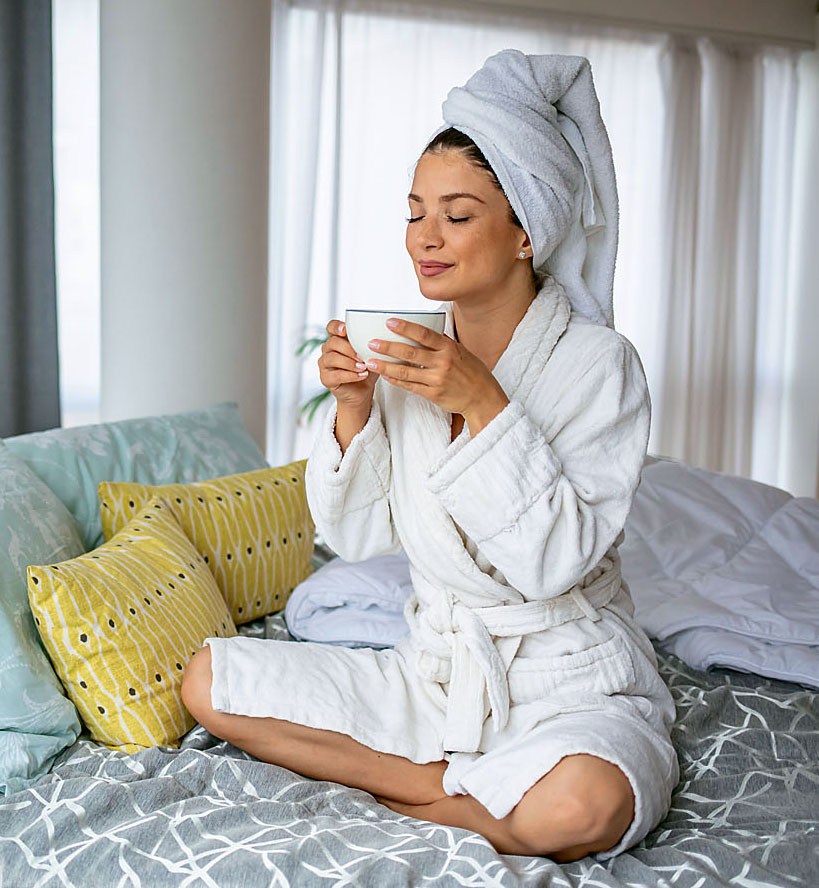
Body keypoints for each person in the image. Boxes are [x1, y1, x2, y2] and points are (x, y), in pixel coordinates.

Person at [182, 49, 679, 862]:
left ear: (526, 232)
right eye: (415, 213)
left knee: (581, 806)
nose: (425, 238)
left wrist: (482, 403)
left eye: (457, 215)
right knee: (209, 680)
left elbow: (553, 563)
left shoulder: (598, 364)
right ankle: (469, 792)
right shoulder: (412, 353)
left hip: (568, 684)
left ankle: (423, 791)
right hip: (438, 675)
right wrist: (353, 411)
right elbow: (359, 538)